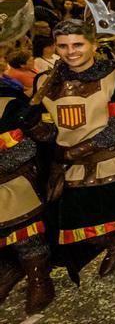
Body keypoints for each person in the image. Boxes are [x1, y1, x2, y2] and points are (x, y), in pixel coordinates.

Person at [35, 19, 115, 282]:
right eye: (63, 45)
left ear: (93, 44)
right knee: (87, 219)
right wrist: (34, 126)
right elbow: (49, 128)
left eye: (78, 44)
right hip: (72, 169)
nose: (71, 51)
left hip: (114, 159)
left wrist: (75, 152)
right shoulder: (45, 81)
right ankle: (113, 243)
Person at [0, 76, 55, 314]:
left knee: (26, 238)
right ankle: (8, 268)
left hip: (13, 182)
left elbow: (27, 149)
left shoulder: (8, 104)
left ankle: (39, 278)